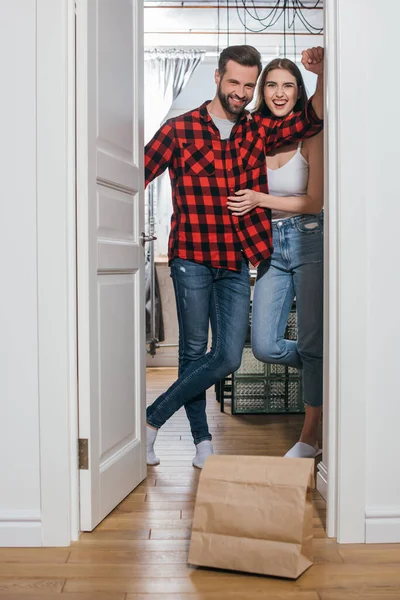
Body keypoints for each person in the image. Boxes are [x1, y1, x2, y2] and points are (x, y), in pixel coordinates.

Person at [145, 45, 324, 468]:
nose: (241, 92)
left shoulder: (256, 130)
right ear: (217, 78)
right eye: (233, 82)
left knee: (226, 355)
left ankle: (151, 419)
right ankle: (202, 443)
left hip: (237, 259)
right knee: (193, 352)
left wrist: (322, 73)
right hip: (190, 256)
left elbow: (309, 119)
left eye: (248, 84)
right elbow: (132, 174)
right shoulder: (178, 130)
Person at [227, 51, 324, 459]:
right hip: (270, 245)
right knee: (266, 345)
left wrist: (322, 73)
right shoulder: (254, 135)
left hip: (309, 240)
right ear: (261, 92)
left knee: (312, 338)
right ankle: (328, 369)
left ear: (299, 91)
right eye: (271, 85)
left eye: (288, 85)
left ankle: (309, 437)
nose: (279, 93)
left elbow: (314, 202)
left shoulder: (311, 134)